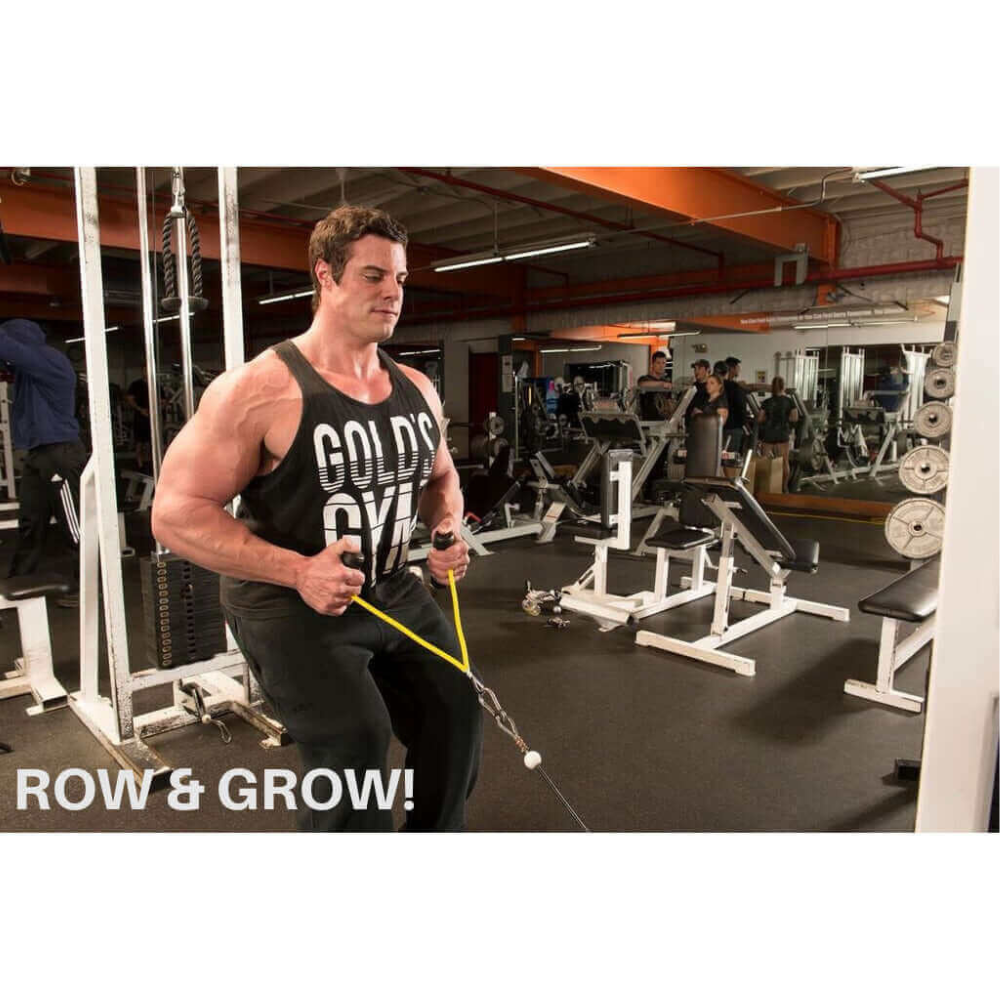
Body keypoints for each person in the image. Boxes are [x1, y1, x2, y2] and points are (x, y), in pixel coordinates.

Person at [151, 205, 482, 832]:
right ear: (324, 277)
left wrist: (446, 531)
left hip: (392, 589)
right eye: (372, 275)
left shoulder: (417, 386)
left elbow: (442, 479)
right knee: (355, 744)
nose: (392, 293)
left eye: (401, 280)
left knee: (456, 715)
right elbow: (174, 515)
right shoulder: (257, 390)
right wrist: (300, 570)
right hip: (287, 602)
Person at [0, 319, 87, 604]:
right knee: (30, 520)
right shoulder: (27, 370)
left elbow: (8, 348)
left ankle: (85, 588)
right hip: (39, 454)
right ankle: (19, 581)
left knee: (73, 525)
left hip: (60, 453)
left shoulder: (49, 360)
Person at [757, 375, 799, 492]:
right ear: (783, 387)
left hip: (768, 434)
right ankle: (784, 487)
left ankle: (763, 487)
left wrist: (768, 419)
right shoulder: (789, 402)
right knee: (784, 461)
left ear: (772, 388)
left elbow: (759, 419)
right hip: (782, 433)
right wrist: (784, 419)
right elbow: (794, 418)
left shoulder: (767, 402)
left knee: (764, 460)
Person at [636, 350, 674, 421]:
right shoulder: (644, 379)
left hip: (662, 421)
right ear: (653, 364)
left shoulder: (666, 381)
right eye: (658, 363)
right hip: (647, 421)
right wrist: (661, 384)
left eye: (663, 363)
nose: (661, 366)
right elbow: (642, 384)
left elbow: (669, 400)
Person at [125, 377, 152, 472]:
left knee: (150, 443)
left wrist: (153, 410)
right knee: (139, 443)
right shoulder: (136, 384)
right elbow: (129, 399)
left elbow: (163, 400)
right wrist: (140, 409)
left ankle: (149, 465)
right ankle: (140, 465)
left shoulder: (154, 383)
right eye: (144, 369)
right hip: (139, 418)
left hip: (152, 417)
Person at [723, 356, 748, 454]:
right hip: (733, 428)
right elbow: (740, 407)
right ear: (732, 369)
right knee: (730, 458)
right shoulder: (735, 387)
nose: (739, 369)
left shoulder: (719, 385)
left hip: (722, 426)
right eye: (738, 367)